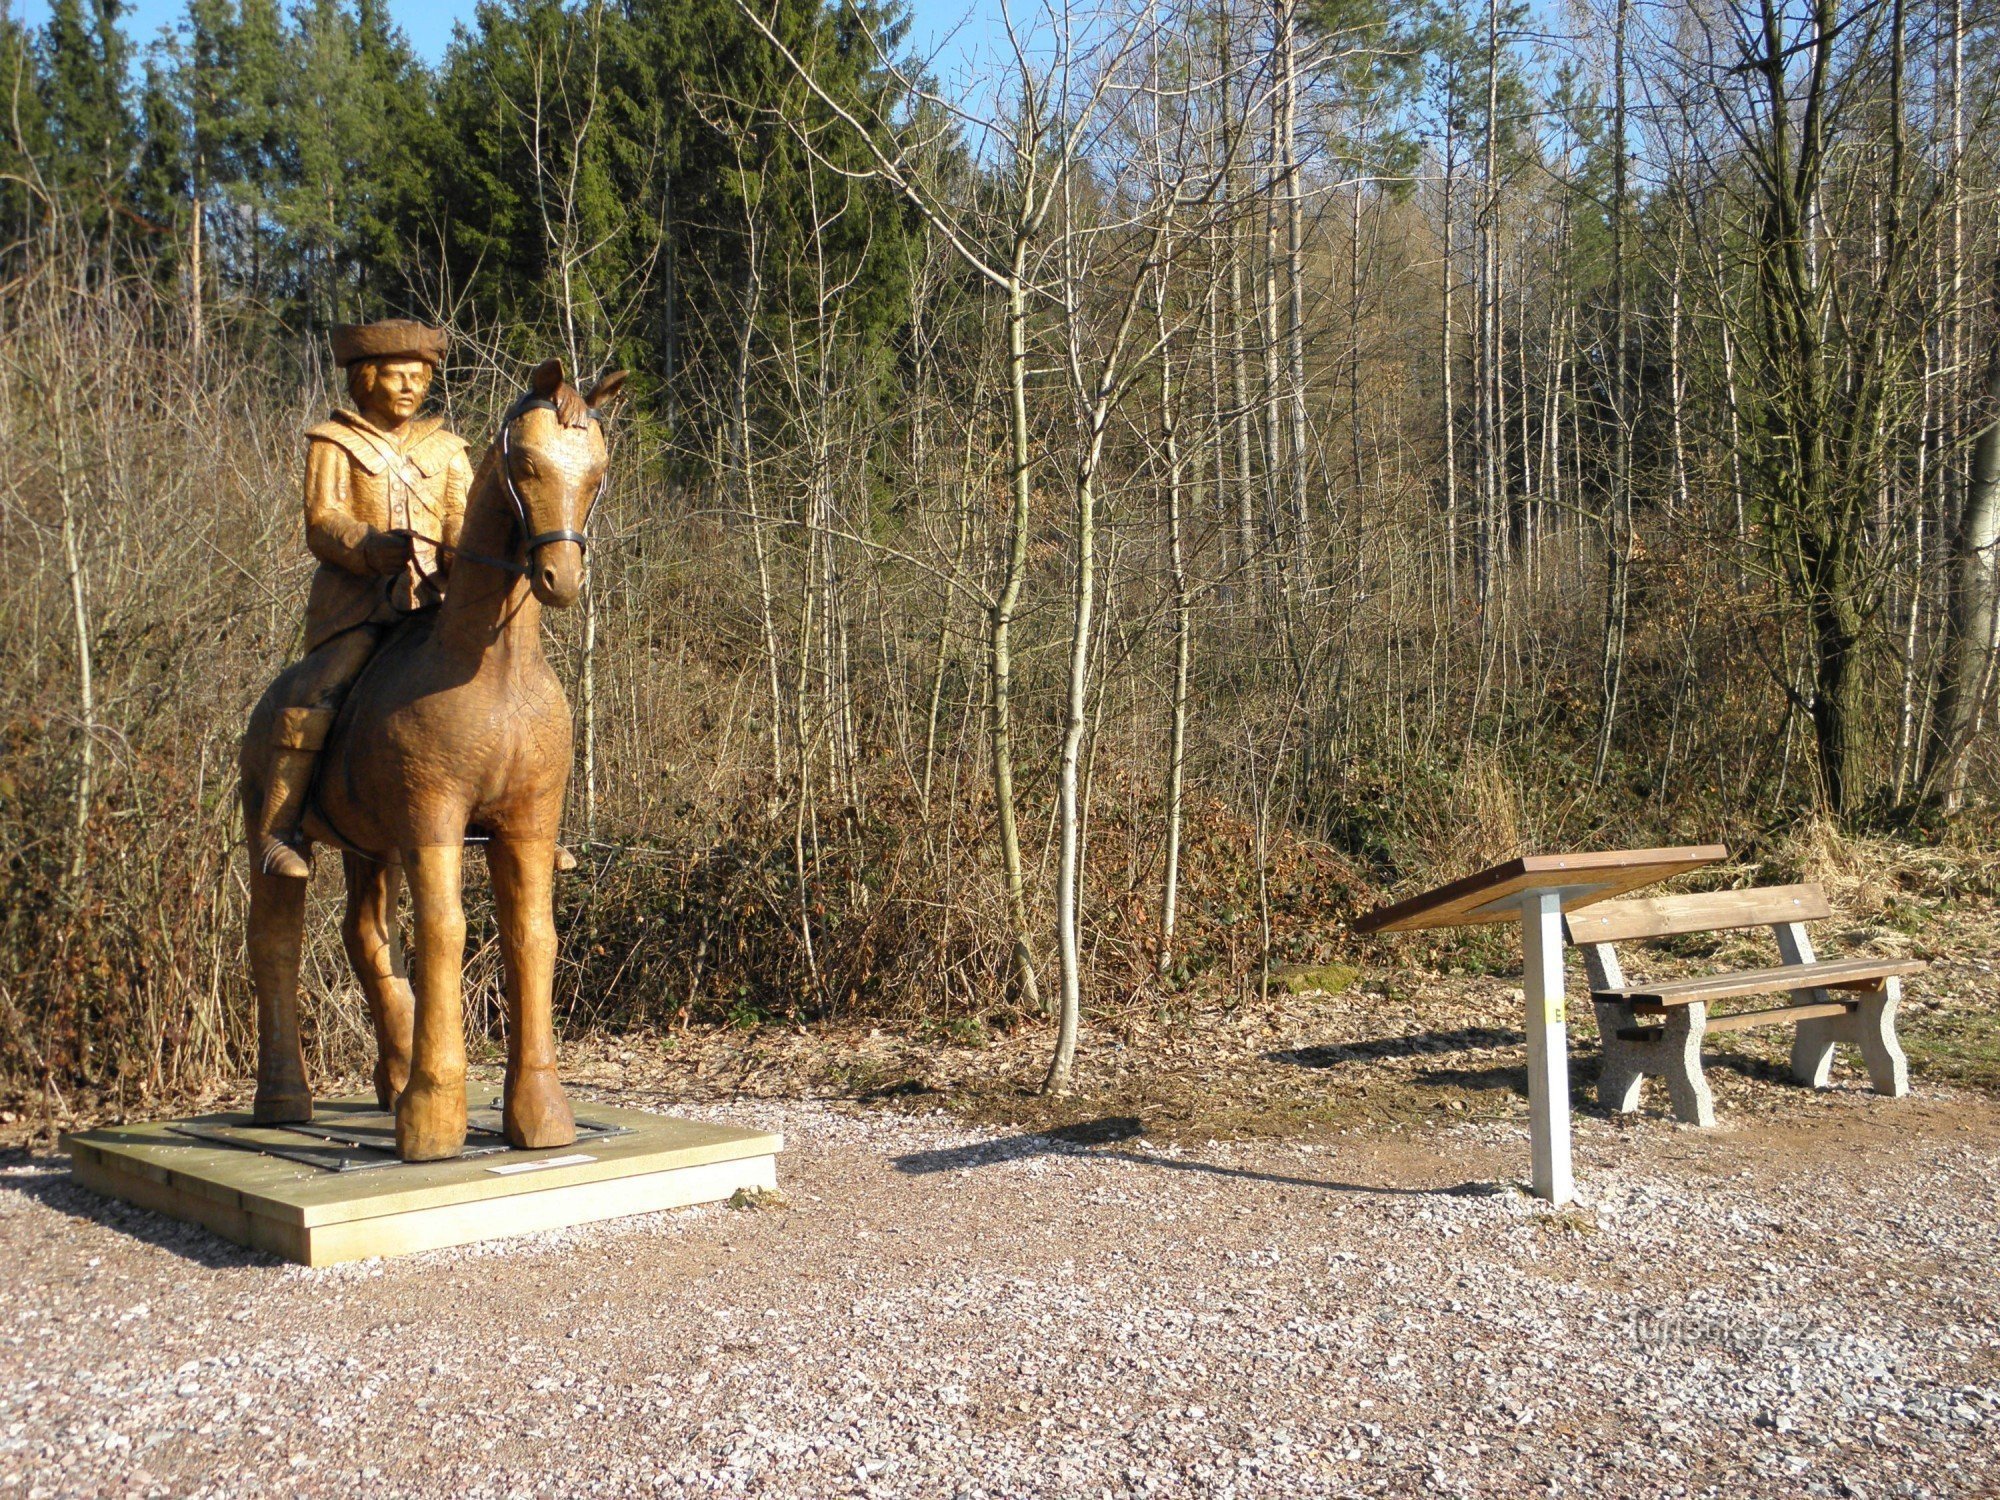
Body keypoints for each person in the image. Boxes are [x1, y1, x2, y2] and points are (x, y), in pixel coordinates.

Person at [252, 319, 473, 879]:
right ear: (366, 379)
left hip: (438, 602)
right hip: (360, 604)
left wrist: (460, 553)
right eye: (397, 375)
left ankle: (526, 828)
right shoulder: (334, 443)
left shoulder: (448, 450)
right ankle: (282, 828)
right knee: (324, 688)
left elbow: (460, 519)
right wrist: (371, 547)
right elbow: (322, 521)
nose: (409, 387)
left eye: (419, 377)